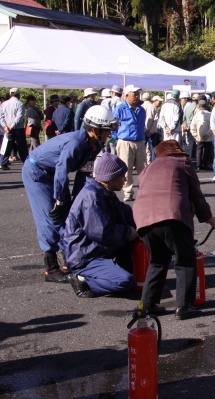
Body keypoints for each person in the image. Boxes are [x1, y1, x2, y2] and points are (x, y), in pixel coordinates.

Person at [22, 106, 117, 282]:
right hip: (37, 172)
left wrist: (77, 200)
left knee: (68, 215)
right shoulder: (75, 142)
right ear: (94, 129)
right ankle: (50, 268)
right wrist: (60, 199)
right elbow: (61, 170)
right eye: (107, 130)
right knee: (50, 217)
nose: (109, 133)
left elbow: (83, 174)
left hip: (54, 174)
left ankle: (70, 259)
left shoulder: (95, 145)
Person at [133, 140, 215, 320]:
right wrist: (210, 219)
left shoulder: (147, 169)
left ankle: (146, 305)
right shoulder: (182, 163)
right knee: (185, 260)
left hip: (143, 219)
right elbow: (197, 197)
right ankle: (184, 307)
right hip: (171, 215)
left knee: (157, 261)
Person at [63, 153, 137, 298]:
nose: (125, 180)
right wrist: (128, 232)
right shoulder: (91, 198)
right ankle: (82, 280)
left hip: (97, 250)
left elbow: (124, 212)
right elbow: (102, 233)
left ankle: (105, 273)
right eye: (122, 176)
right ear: (110, 177)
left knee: (137, 270)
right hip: (86, 256)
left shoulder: (104, 191)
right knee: (124, 281)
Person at [113, 85, 147, 202]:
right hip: (125, 142)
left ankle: (144, 191)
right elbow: (113, 124)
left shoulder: (142, 109)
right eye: (134, 94)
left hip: (140, 141)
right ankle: (128, 191)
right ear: (127, 95)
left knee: (143, 168)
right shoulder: (120, 108)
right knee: (126, 169)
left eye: (138, 94)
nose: (137, 96)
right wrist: (116, 137)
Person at [0, 88, 28, 167]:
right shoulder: (20, 104)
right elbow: (19, 117)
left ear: (10, 94)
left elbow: (1, 116)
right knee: (22, 146)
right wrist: (11, 125)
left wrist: (5, 126)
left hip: (7, 129)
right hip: (18, 128)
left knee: (6, 146)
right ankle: (26, 162)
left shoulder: (4, 104)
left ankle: (3, 162)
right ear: (18, 95)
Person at [190, 99, 213, 171]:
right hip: (208, 137)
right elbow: (212, 126)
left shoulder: (196, 115)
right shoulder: (210, 114)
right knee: (207, 151)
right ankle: (205, 164)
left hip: (199, 136)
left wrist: (195, 135)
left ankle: (198, 165)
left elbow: (192, 126)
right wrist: (208, 134)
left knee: (199, 150)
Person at [141, 93, 161, 163]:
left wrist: (145, 130)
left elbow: (140, 120)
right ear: (150, 98)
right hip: (152, 132)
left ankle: (142, 163)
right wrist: (151, 131)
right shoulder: (153, 107)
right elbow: (156, 120)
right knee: (153, 148)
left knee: (142, 148)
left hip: (143, 131)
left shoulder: (141, 107)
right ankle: (154, 164)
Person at [180, 92, 196, 158]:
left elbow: (184, 118)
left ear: (185, 99)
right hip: (194, 127)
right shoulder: (193, 106)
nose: (181, 100)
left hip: (188, 128)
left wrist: (185, 125)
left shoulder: (187, 106)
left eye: (182, 99)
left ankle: (187, 157)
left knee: (189, 143)